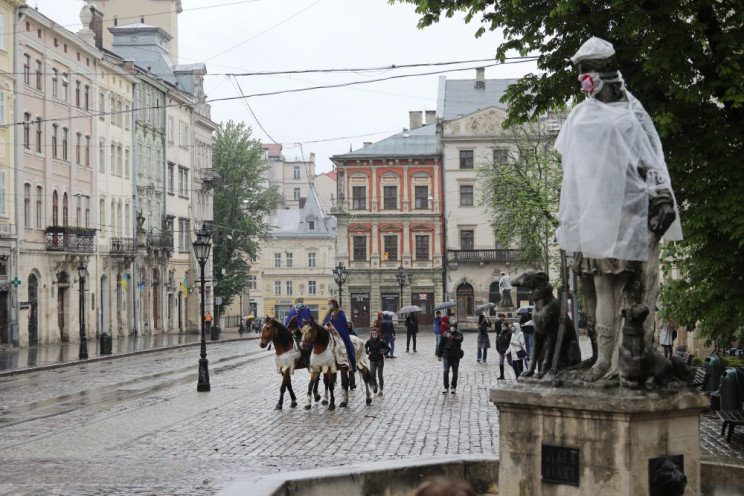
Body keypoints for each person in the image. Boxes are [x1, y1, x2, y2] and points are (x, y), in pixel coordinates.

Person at [555, 36, 682, 382]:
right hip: (588, 218)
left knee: (609, 287)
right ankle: (599, 355)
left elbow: (650, 160)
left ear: (600, 74)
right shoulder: (580, 115)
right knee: (589, 289)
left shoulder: (629, 115)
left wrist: (661, 198)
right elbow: (572, 171)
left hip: (620, 216)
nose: (582, 81)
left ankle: (611, 364)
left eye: (584, 72)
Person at [322, 298, 357, 373]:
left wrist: (333, 328)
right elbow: (324, 323)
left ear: (334, 304)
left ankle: (344, 360)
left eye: (330, 304)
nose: (329, 306)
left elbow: (342, 325)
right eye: (328, 304)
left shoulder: (340, 313)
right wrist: (325, 326)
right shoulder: (328, 313)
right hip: (328, 334)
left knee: (342, 345)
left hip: (338, 335)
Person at [436, 320, 463, 394]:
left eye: (454, 326)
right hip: (446, 355)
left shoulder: (459, 333)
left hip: (456, 355)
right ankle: (446, 387)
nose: (452, 328)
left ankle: (453, 386)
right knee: (445, 371)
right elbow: (441, 346)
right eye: (451, 326)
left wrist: (452, 338)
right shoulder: (445, 334)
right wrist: (439, 355)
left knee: (455, 372)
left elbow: (460, 339)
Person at [365, 328, 390, 395]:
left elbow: (388, 348)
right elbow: (365, 347)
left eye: (375, 333)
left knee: (380, 375)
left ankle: (381, 390)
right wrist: (367, 352)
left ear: (378, 334)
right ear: (371, 334)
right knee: (372, 375)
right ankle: (375, 385)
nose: (374, 334)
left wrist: (384, 352)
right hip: (372, 360)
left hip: (380, 360)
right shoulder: (369, 341)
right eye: (373, 333)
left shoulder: (381, 341)